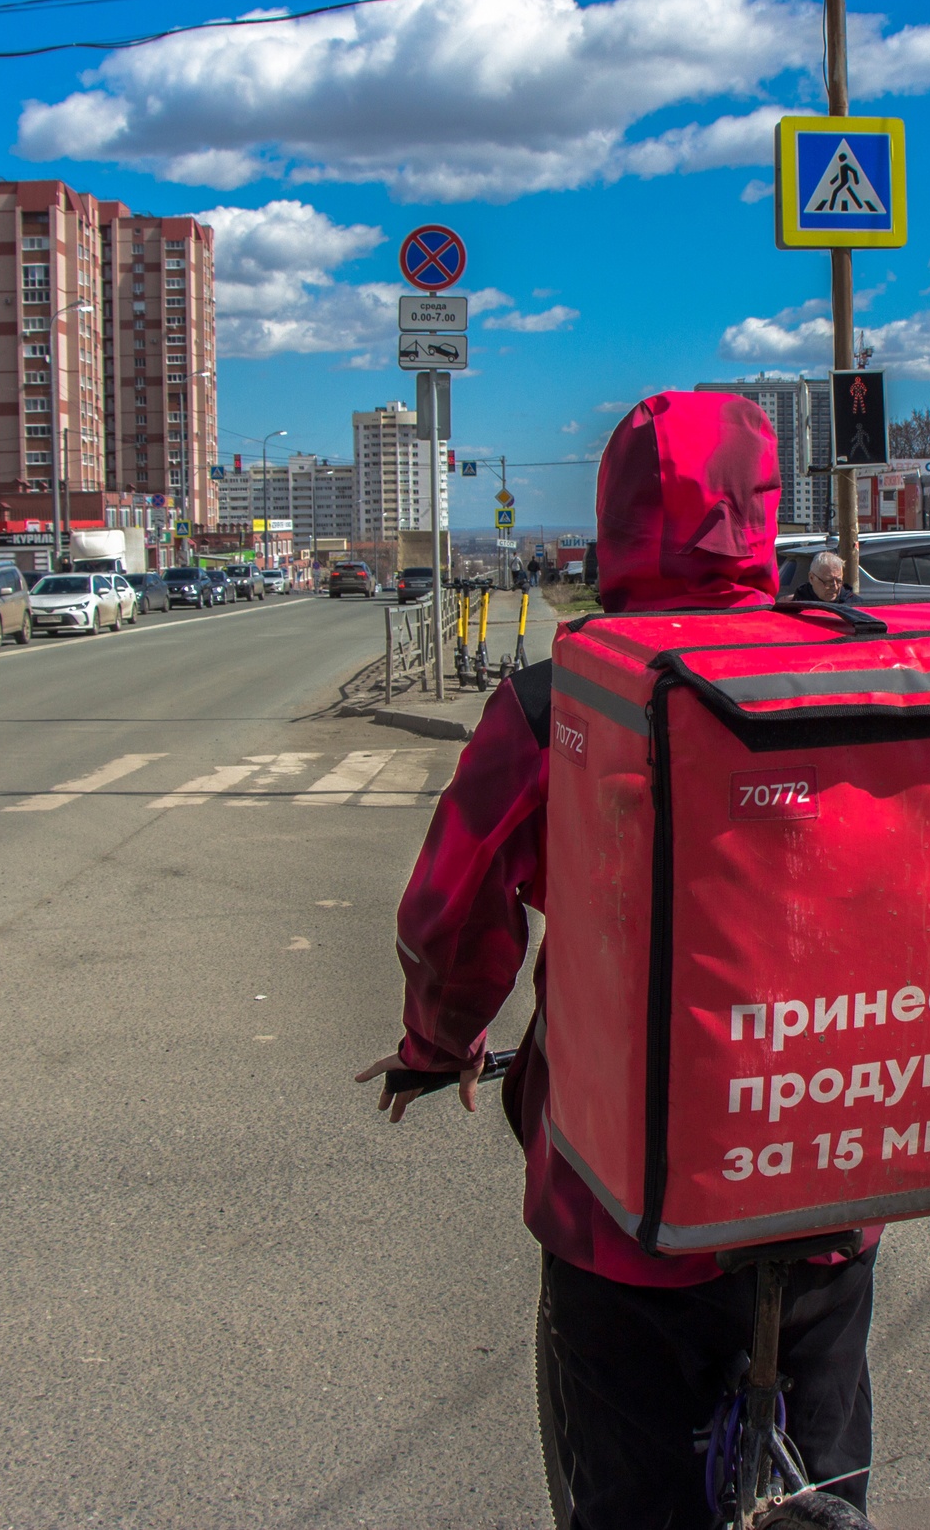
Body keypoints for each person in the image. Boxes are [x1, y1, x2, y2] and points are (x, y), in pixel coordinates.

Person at [357, 393, 876, 1529]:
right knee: (830, 1472)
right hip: (824, 1148)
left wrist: (438, 1042)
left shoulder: (564, 698)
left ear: (616, 517)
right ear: (762, 514)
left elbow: (452, 907)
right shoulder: (850, 672)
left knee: (631, 1491)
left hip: (621, 1195)